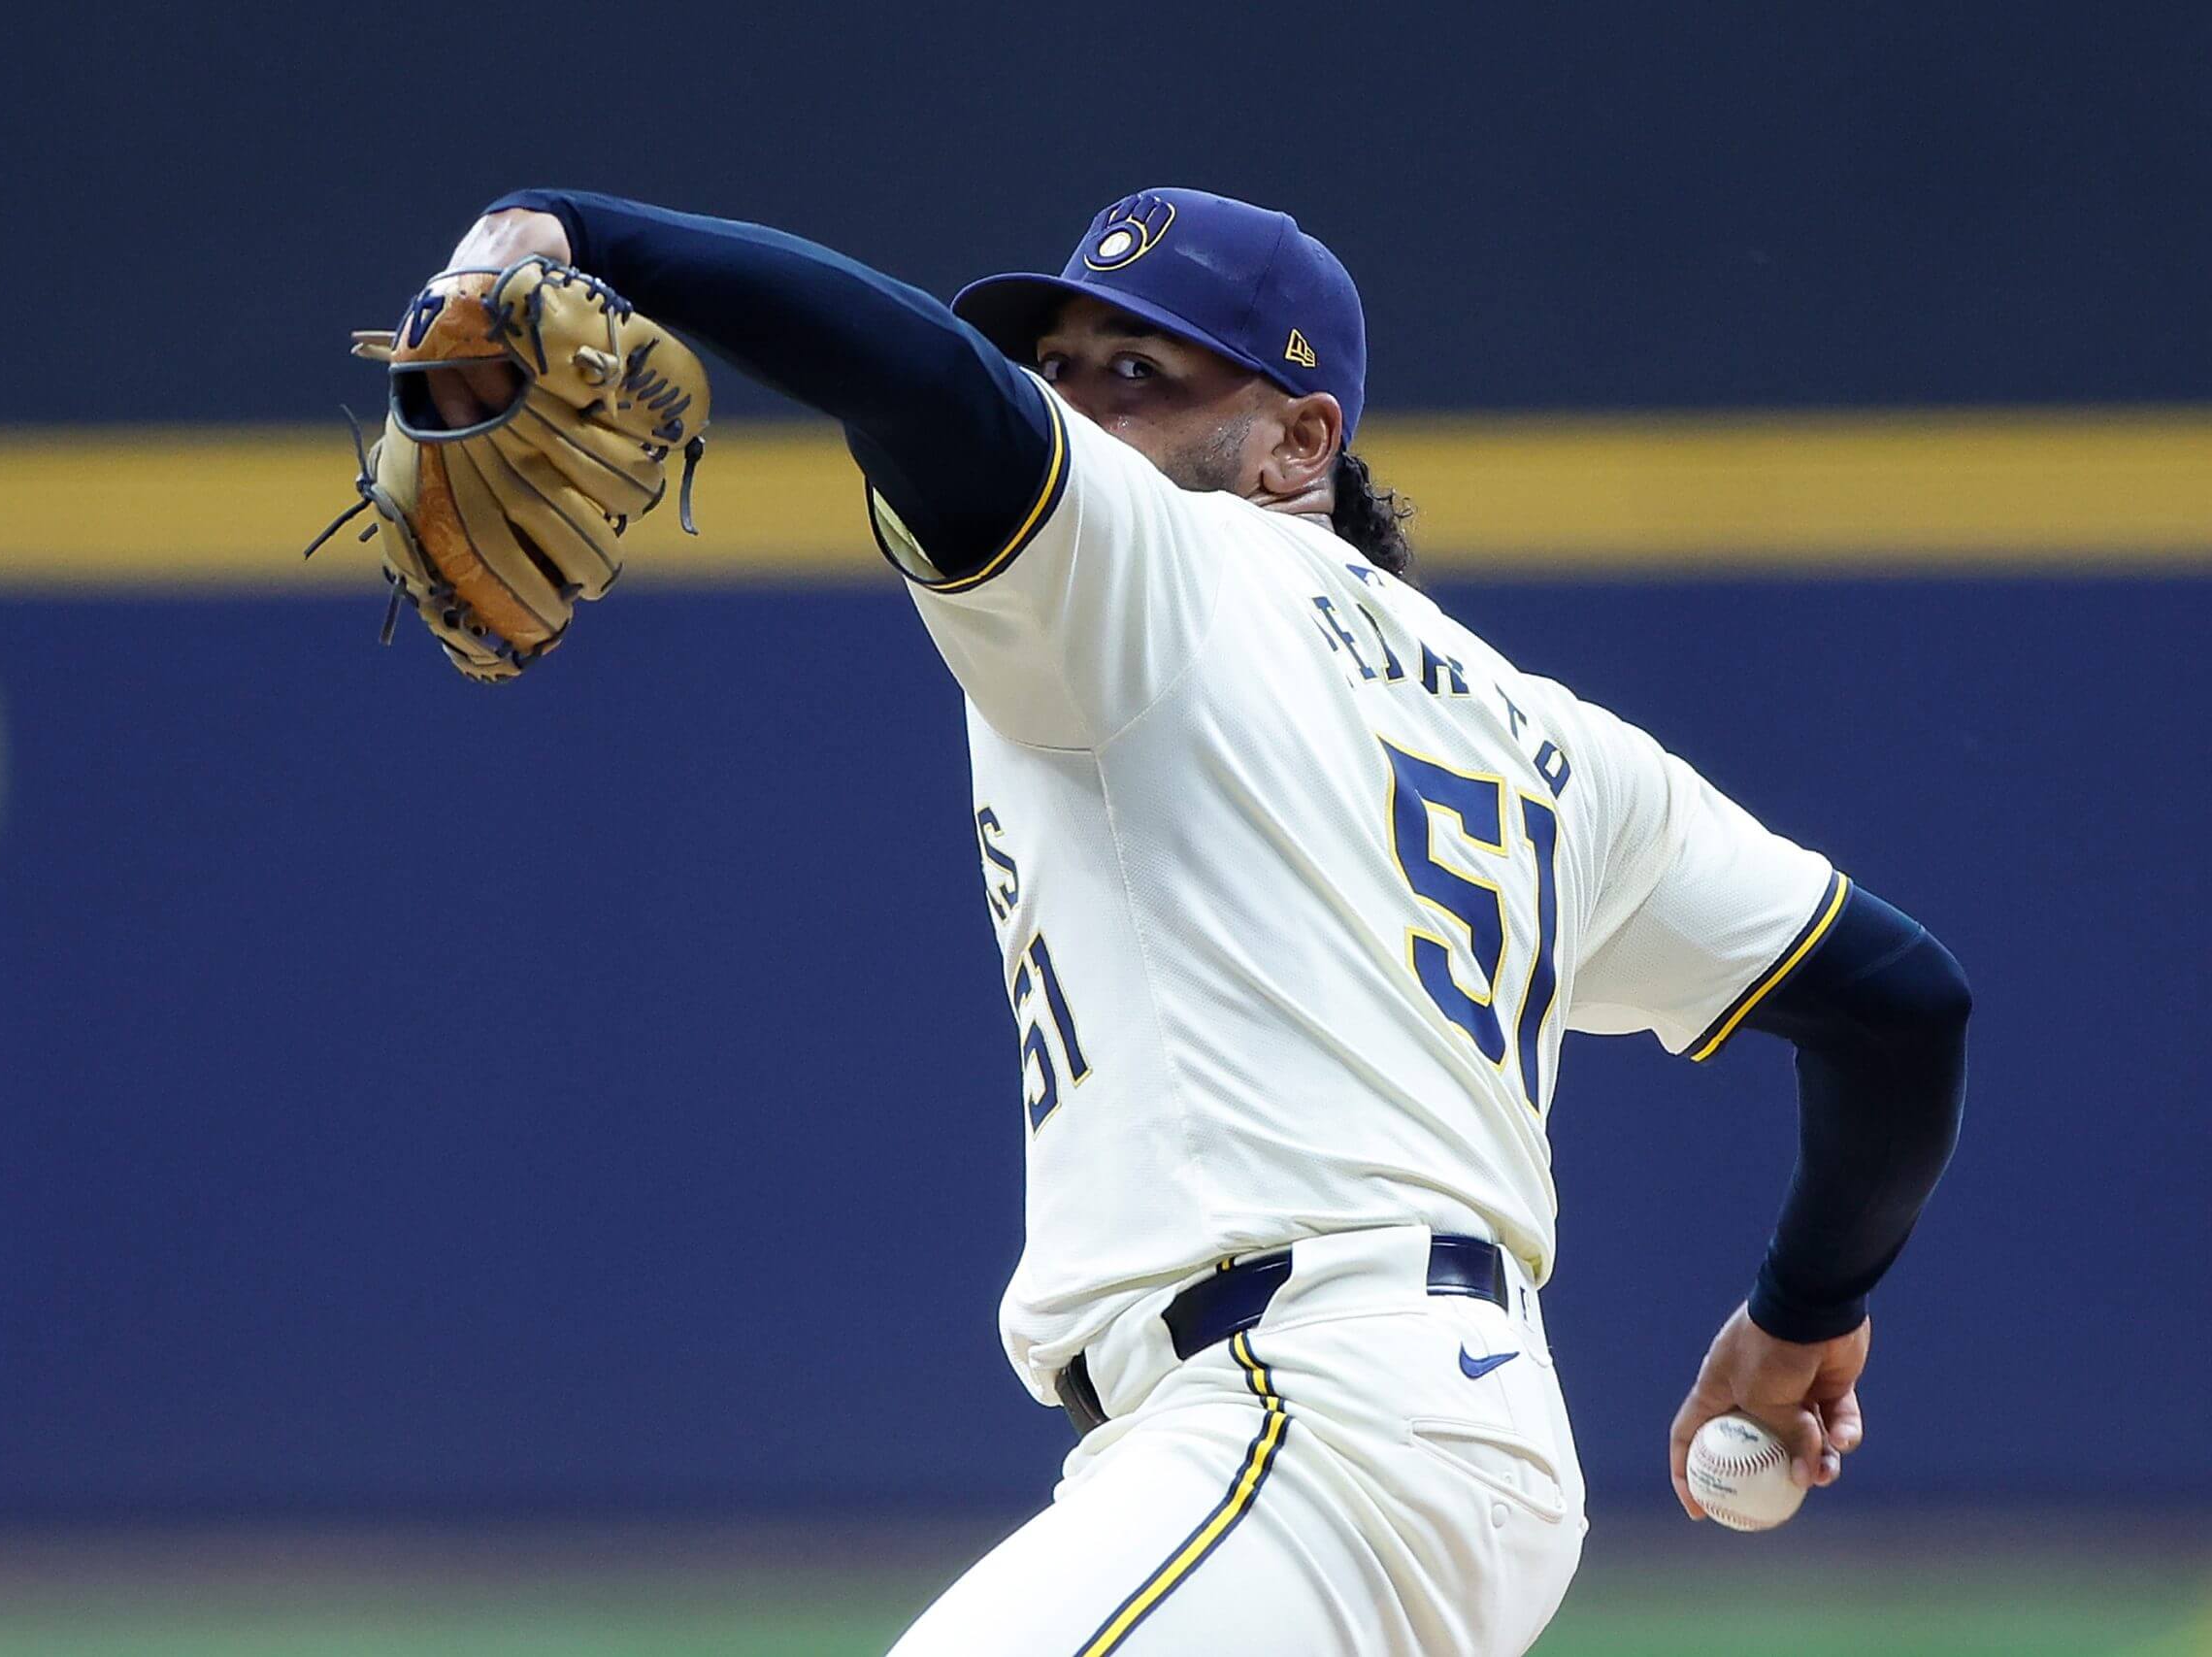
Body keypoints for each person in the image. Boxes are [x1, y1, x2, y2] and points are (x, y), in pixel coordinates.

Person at [414, 186, 1971, 1655]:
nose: (1079, 404)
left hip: (1311, 1426)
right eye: (1062, 366)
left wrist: (580, 231)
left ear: (1301, 440)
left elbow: (927, 384)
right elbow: (1898, 1003)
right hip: (1408, 1443)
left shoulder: (1161, 568)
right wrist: (1802, 1313)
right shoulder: (1552, 740)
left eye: (1138, 371)